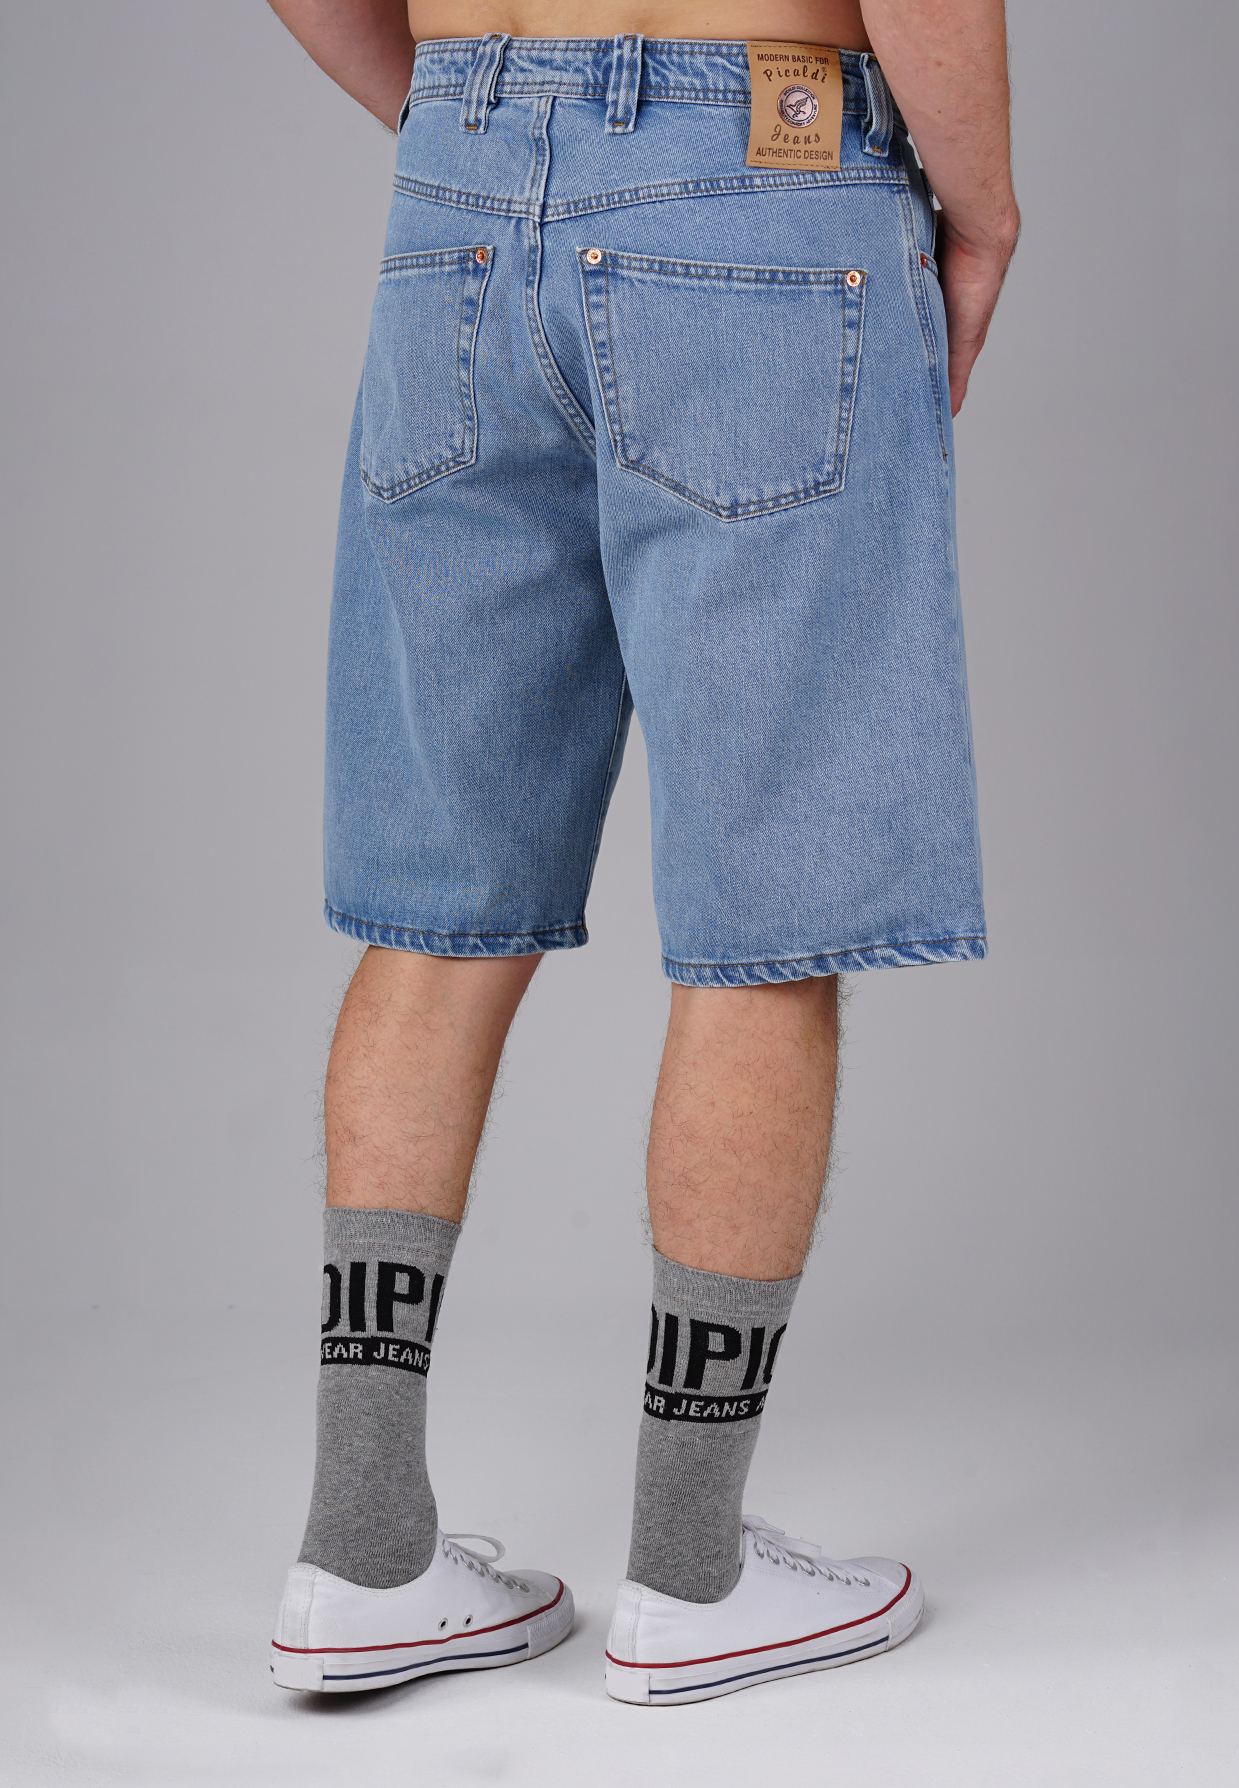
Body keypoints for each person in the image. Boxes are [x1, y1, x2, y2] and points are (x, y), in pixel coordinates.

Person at [265, 0, 1018, 1705]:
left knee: (435, 912)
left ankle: (360, 1551)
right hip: (755, 169)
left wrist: (481, 124)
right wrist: (982, 211)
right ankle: (692, 1576)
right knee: (768, 905)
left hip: (460, 185)